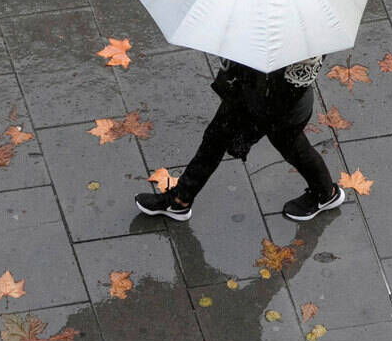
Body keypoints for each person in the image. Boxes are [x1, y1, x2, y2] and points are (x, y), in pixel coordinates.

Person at [135, 55, 345, 222]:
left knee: (295, 150)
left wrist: (247, 132)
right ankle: (181, 199)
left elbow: (286, 94)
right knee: (214, 138)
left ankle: (326, 193)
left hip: (281, 109)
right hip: (250, 90)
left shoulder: (304, 40)